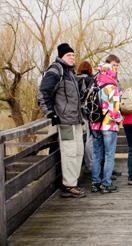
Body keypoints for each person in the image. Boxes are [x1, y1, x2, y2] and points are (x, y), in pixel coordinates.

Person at [38, 43, 86, 198]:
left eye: (73, 55)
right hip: (65, 121)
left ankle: (73, 182)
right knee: (70, 153)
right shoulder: (55, 70)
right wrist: (51, 113)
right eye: (68, 55)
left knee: (79, 151)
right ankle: (69, 185)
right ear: (61, 56)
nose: (72, 57)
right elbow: (43, 93)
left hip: (76, 120)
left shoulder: (70, 72)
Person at [90, 55, 123, 193]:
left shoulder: (95, 84)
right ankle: (106, 183)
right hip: (109, 125)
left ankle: (95, 183)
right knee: (109, 155)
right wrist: (120, 119)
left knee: (97, 154)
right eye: (115, 67)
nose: (116, 70)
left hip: (95, 124)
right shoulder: (112, 87)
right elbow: (114, 110)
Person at [76, 61, 95, 174]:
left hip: (76, 111)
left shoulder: (74, 78)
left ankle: (81, 166)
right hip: (87, 111)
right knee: (89, 137)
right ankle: (90, 165)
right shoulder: (90, 80)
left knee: (78, 137)